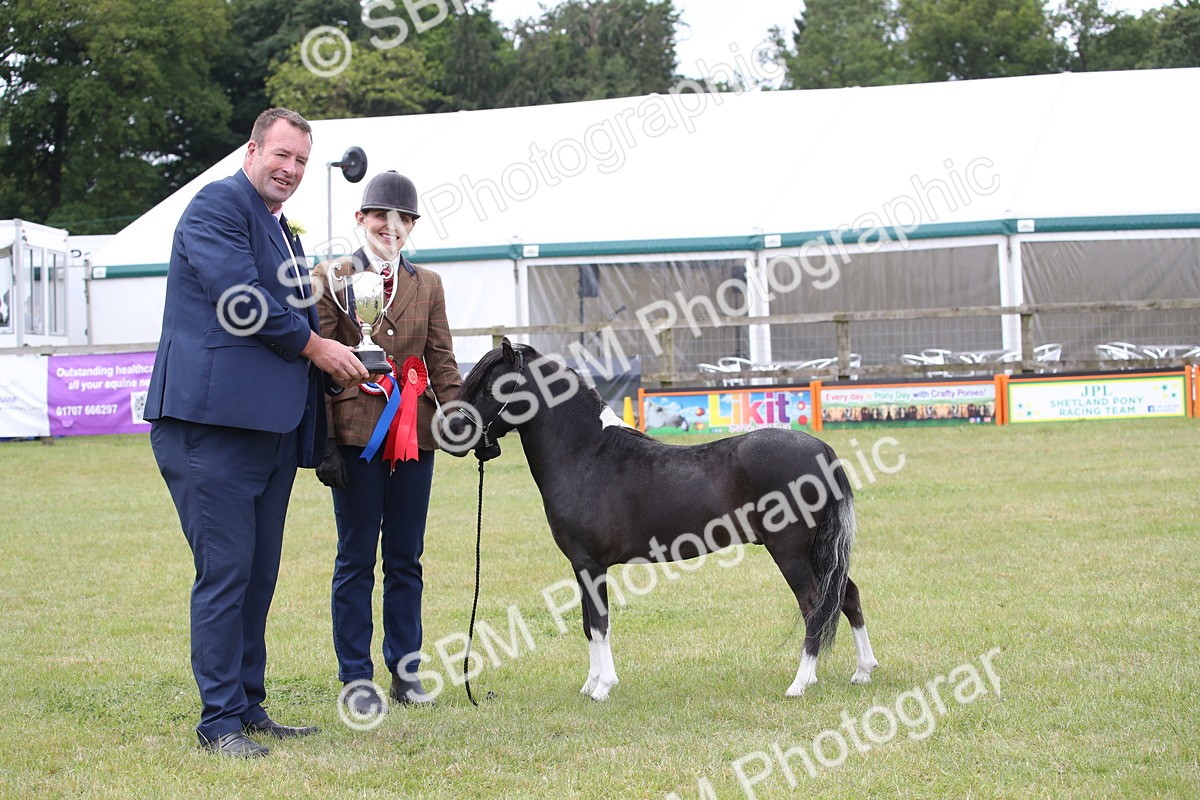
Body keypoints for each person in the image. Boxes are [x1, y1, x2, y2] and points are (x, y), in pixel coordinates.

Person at [145, 107, 371, 757]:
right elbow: (241, 302)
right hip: (209, 428)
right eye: (282, 155)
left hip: (269, 432)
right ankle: (217, 722)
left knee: (257, 575)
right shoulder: (217, 207)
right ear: (252, 150)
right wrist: (317, 349)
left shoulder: (282, 231)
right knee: (225, 573)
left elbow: (296, 311)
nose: (292, 170)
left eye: (301, 161)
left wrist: (346, 358)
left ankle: (247, 704)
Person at [312, 170, 461, 713]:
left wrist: (461, 416)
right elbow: (320, 361)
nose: (390, 228)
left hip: (415, 435)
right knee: (355, 557)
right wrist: (325, 442)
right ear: (361, 220)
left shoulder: (430, 285)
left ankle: (406, 670)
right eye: (381, 218)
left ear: (412, 227)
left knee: (406, 557)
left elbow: (441, 358)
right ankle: (356, 676)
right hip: (355, 434)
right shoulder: (331, 276)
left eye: (402, 220)